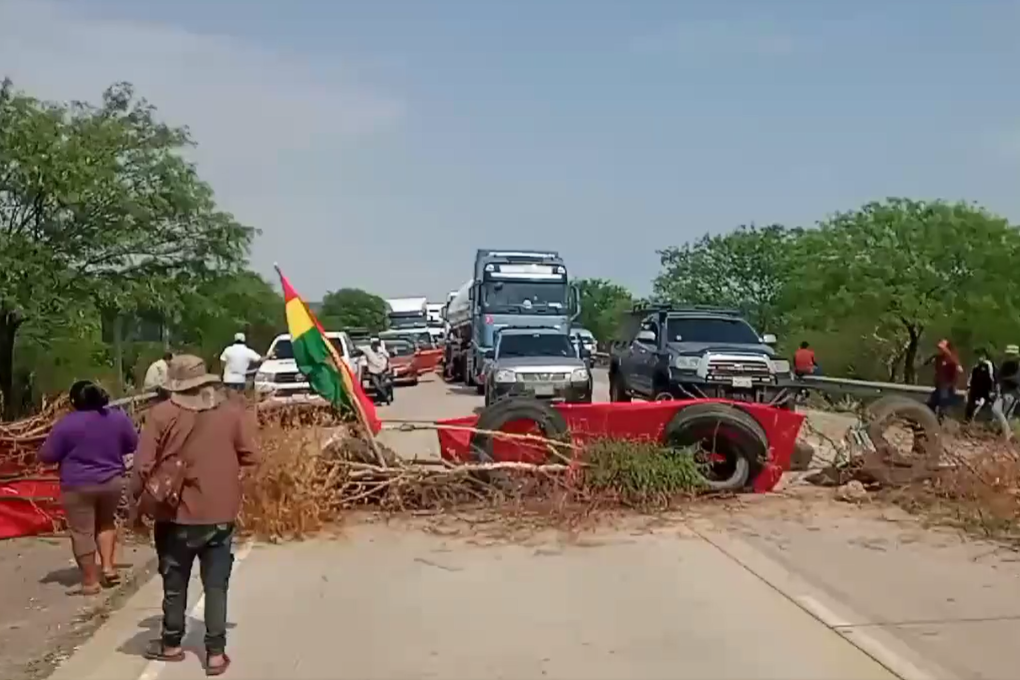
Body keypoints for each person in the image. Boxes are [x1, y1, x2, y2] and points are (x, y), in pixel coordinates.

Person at [131, 355, 258, 675]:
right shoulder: (231, 414)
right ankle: (215, 654)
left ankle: (171, 644)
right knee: (216, 585)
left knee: (175, 583)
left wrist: (137, 502)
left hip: (173, 516)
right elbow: (252, 457)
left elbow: (142, 466)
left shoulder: (160, 415)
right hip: (220, 515)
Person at [37, 381, 138, 595]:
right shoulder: (117, 418)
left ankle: (91, 581)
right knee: (106, 522)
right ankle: (109, 568)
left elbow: (47, 456)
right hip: (111, 481)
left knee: (82, 532)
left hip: (77, 485)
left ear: (73, 401)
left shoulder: (66, 424)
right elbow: (132, 444)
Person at [925, 339, 962, 420]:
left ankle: (945, 424)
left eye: (942, 348)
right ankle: (931, 420)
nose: (939, 350)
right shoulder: (938, 358)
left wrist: (952, 385)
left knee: (944, 406)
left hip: (947, 387)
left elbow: (958, 371)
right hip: (940, 386)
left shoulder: (952, 359)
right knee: (931, 404)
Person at [992, 345, 1020, 441]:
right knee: (996, 410)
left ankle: (1004, 433)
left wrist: (1004, 379)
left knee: (1005, 414)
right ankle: (1007, 432)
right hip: (1003, 392)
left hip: (1013, 393)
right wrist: (998, 390)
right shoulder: (1005, 365)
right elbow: (998, 378)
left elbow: (1017, 380)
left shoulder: (1018, 365)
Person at [965, 348, 995, 421]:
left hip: (984, 391)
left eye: (980, 355)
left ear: (984, 356)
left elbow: (991, 378)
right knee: (970, 407)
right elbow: (971, 377)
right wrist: (968, 387)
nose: (978, 358)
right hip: (975, 390)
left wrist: (991, 390)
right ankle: (968, 421)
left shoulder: (988, 365)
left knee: (981, 407)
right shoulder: (976, 367)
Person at [361, 337, 392, 404]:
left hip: (382, 371)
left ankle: (382, 398)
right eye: (374, 344)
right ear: (371, 344)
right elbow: (357, 349)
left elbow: (388, 356)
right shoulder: (367, 349)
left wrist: (387, 366)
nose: (376, 346)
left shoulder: (382, 350)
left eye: (377, 344)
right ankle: (386, 397)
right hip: (373, 372)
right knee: (377, 386)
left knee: (382, 385)